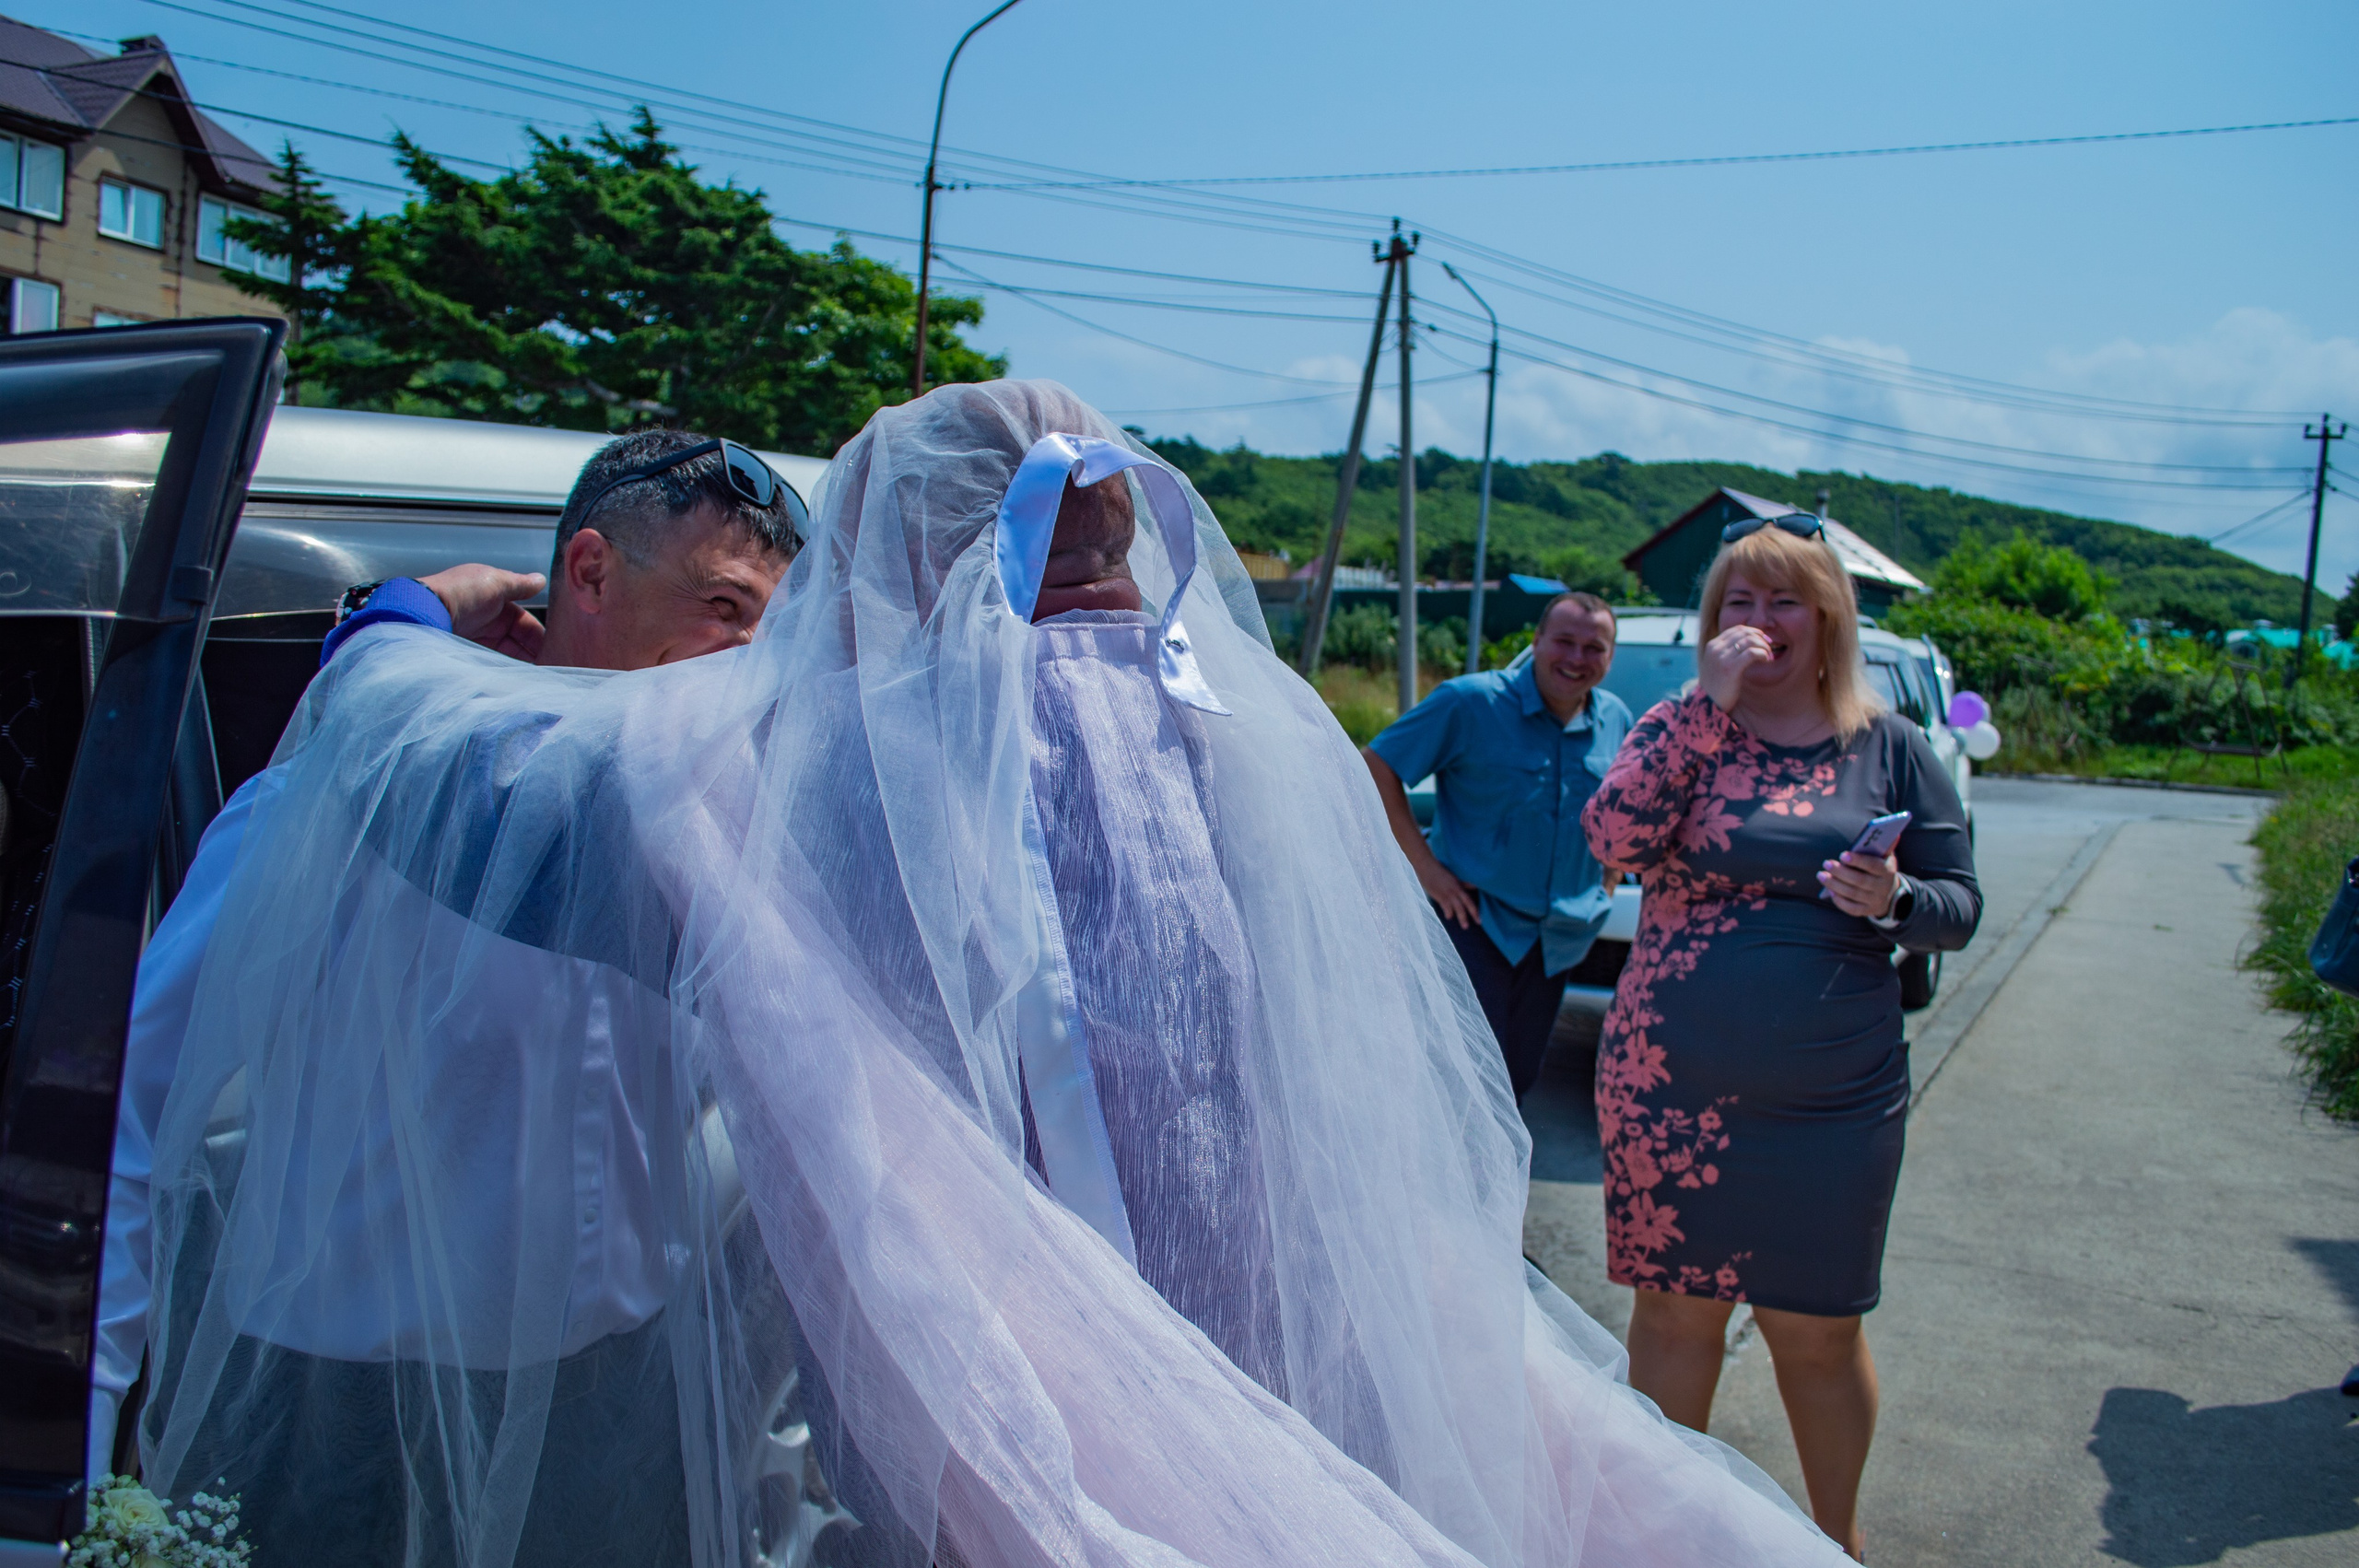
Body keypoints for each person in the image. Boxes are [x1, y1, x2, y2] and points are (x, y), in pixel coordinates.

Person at [140, 380, 1852, 1568]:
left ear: (926, 571)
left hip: (1053, 1424)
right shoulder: (1250, 749)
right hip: (1310, 1364)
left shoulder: (871, 768)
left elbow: (479, 801)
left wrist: (392, 630)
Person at [96, 428, 801, 1564]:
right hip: (341, 1429)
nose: (748, 659)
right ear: (588, 572)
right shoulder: (343, 805)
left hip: (615, 1424)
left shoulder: (729, 848)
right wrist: (67, 1454)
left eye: (771, 628)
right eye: (724, 607)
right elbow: (124, 1121)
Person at [1579, 513, 1981, 1560]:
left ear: (1828, 619)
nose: (1758, 623)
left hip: (1832, 1095)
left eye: (1782, 600)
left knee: (1817, 1325)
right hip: (1669, 1081)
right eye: (1737, 603)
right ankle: (1658, 1539)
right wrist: (1698, 709)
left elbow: (1958, 901)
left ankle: (1833, 1539)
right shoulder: (1680, 728)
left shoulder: (1887, 745)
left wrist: (1893, 900)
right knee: (1674, 1317)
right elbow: (1612, 841)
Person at [1363, 593, 1630, 1098]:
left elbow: (1624, 807)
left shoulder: (1616, 719)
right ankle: (1445, 1179)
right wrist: (1425, 869)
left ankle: (1499, 1180)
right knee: (1460, 1088)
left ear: (1610, 657)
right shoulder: (1470, 702)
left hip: (1558, 938)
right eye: (1564, 642)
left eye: (1593, 647)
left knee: (1517, 1080)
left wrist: (1609, 880)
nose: (1576, 659)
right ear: (1536, 642)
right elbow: (1377, 766)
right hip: (1474, 927)